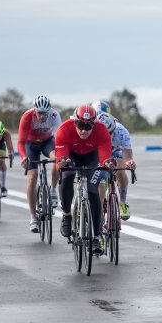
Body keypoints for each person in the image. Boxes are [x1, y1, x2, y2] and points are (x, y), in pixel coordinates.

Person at [55, 104, 115, 257]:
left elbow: (104, 156)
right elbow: (61, 155)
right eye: (80, 125)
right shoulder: (64, 129)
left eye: (88, 127)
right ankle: (67, 214)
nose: (83, 130)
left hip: (91, 157)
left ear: (94, 124)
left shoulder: (101, 131)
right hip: (72, 155)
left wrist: (107, 163)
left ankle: (95, 237)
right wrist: (61, 162)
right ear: (74, 122)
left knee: (93, 190)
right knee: (66, 176)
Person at [17, 95, 63, 233]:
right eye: (39, 113)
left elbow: (60, 139)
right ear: (34, 111)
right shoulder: (27, 117)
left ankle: (53, 190)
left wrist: (60, 157)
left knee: (57, 158)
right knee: (32, 177)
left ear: (49, 111)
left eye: (45, 113)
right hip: (30, 145)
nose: (42, 117)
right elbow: (20, 142)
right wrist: (24, 157)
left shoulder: (54, 116)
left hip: (47, 143)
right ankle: (33, 217)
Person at [95, 110, 136, 220]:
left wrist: (129, 163)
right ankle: (99, 220)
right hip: (99, 154)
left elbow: (127, 157)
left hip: (115, 153)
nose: (107, 136)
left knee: (121, 170)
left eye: (110, 133)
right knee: (100, 184)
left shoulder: (122, 131)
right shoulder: (93, 132)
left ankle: (122, 202)